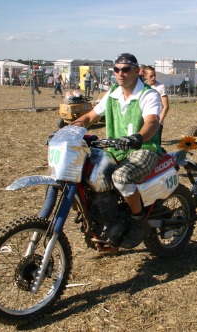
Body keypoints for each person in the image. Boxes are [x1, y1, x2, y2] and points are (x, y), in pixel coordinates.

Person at [72, 53, 162, 252]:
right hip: (114, 150)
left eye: (126, 69)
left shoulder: (148, 94)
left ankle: (138, 221)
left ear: (137, 71)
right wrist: (71, 129)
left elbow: (152, 122)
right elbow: (90, 116)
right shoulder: (112, 93)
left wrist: (138, 137)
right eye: (116, 69)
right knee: (88, 175)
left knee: (121, 177)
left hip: (144, 148)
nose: (120, 73)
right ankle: (107, 223)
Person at [143, 65, 169, 145]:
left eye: (154, 75)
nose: (153, 78)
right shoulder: (143, 87)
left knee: (156, 145)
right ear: (145, 76)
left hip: (157, 122)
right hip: (145, 121)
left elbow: (166, 106)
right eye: (151, 76)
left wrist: (159, 122)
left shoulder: (161, 87)